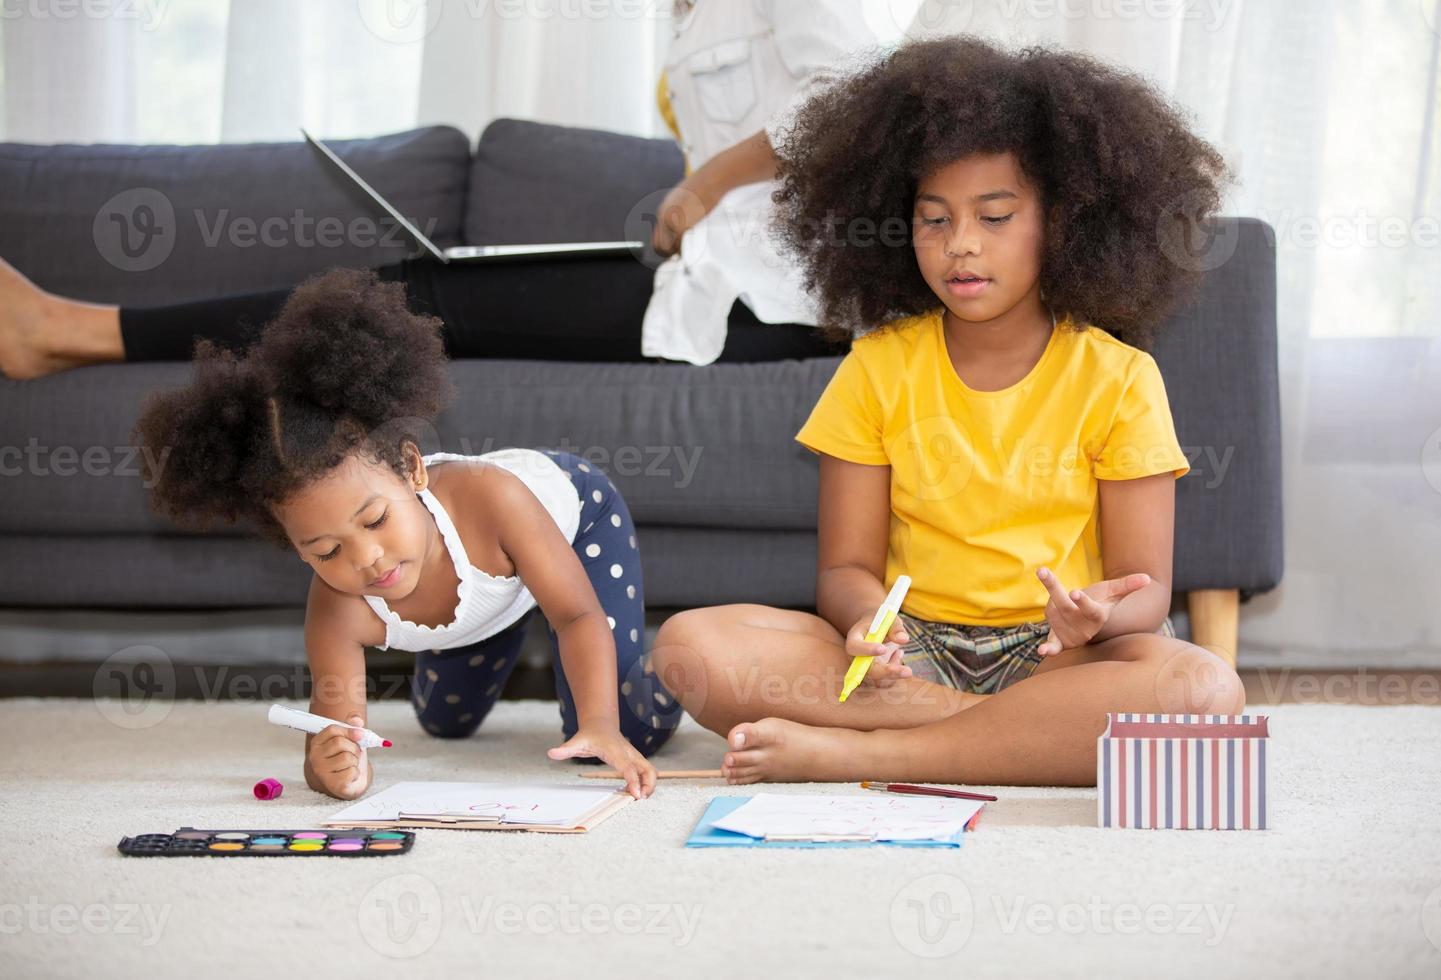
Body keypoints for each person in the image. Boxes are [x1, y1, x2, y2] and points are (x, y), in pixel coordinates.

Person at [648, 37, 1246, 787]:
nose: (960, 246)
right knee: (688, 647)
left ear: (1063, 223)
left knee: (1205, 689)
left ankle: (870, 753)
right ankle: (1014, 743)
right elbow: (845, 569)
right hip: (910, 659)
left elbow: (1145, 589)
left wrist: (1096, 615)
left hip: (1062, 662)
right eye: (935, 220)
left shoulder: (1121, 378)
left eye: (994, 216)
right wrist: (869, 618)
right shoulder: (876, 367)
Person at [0, 0, 877, 380]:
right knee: (412, 299)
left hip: (777, 300)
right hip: (721, 278)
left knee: (414, 303)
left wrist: (708, 184)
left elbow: (857, 92)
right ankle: (72, 331)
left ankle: (67, 332)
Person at [134, 267, 682, 801]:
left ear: (411, 468)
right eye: (326, 551)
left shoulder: (497, 499)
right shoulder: (337, 610)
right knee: (446, 723)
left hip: (571, 519)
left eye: (375, 521)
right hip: (492, 576)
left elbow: (576, 616)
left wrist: (601, 725)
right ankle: (510, 609)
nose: (367, 558)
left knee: (622, 729)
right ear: (294, 548)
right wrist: (332, 769)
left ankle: (678, 664)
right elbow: (332, 731)